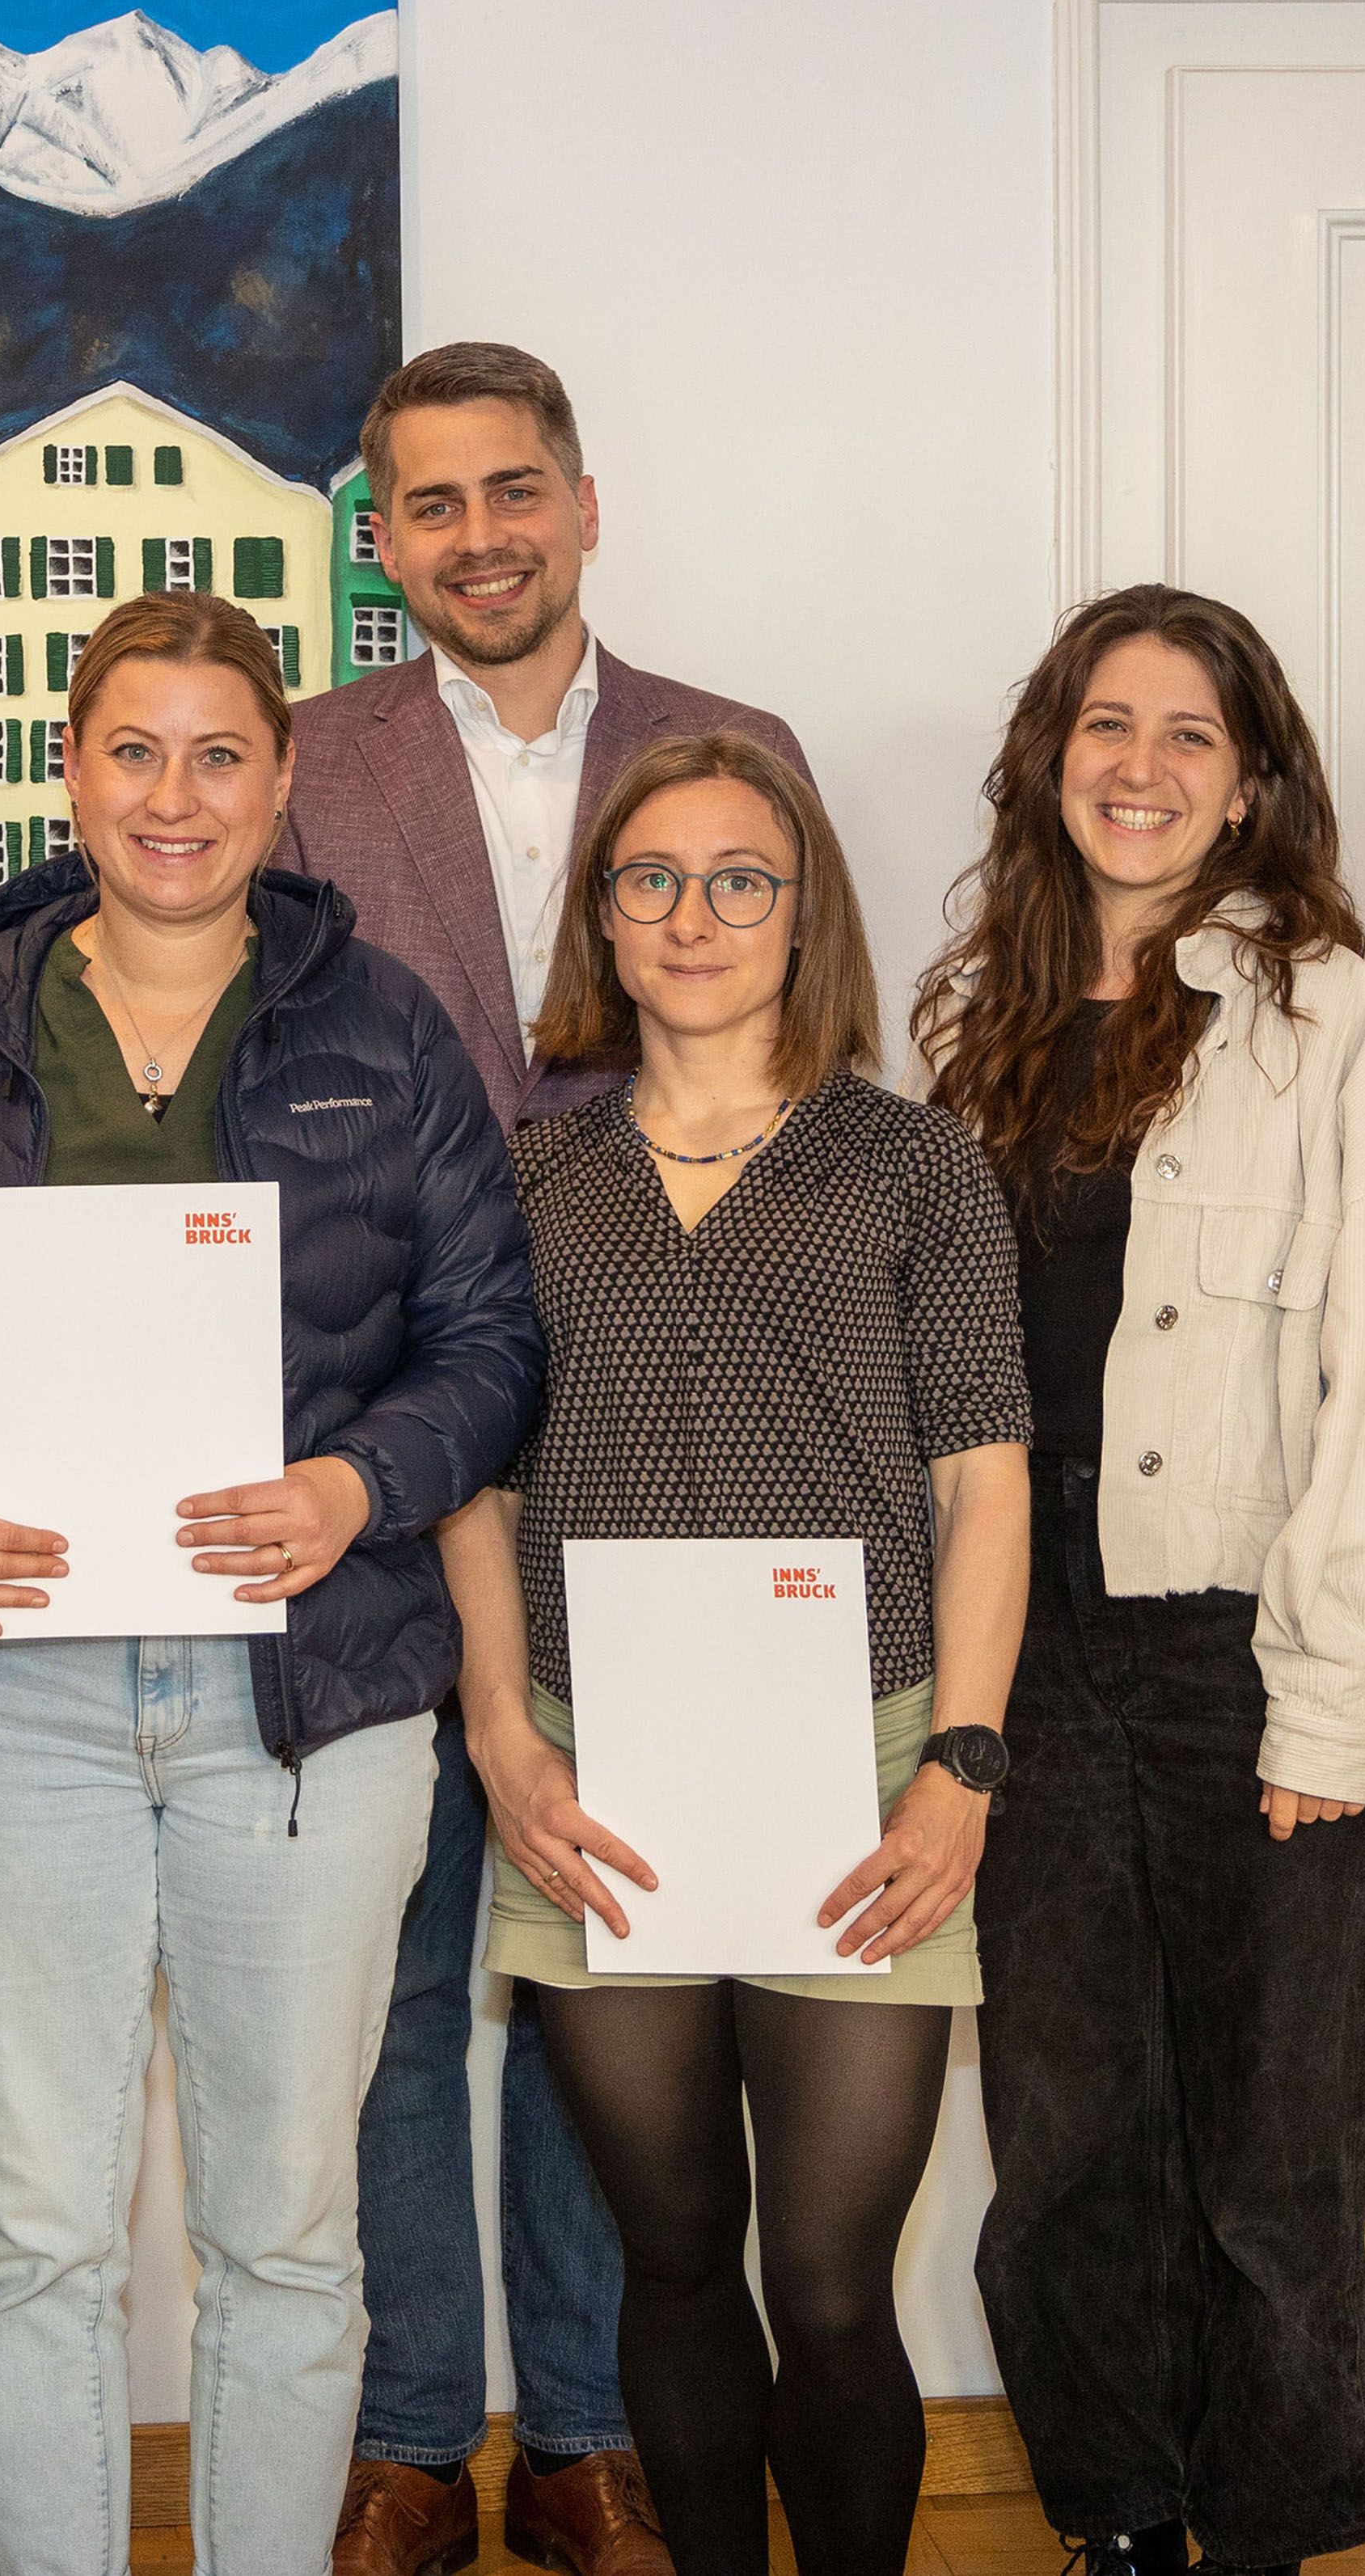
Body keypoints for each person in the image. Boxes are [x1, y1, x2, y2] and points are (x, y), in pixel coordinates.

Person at [0, 589, 542, 2576]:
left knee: (286, 2230)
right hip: (17, 1684)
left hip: (307, 1693)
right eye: (132, 749)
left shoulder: (385, 1026)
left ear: (284, 779)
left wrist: (354, 1480)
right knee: (39, 2230)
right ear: (68, 769)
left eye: (219, 752)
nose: (172, 794)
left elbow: (488, 1349)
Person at [277, 340, 807, 2576]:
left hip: (661, 1419)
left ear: (581, 503)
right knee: (399, 1951)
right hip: (381, 1425)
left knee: (605, 1933)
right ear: (379, 539)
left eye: (514, 491)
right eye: (430, 505)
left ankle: (581, 2428)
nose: (476, 535)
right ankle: (410, 2429)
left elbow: (804, 1058)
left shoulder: (731, 754)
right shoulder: (302, 767)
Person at [908, 588, 1365, 2576]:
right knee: (1068, 2145)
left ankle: (1264, 2532)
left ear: (1249, 782)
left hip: (1260, 1651)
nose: (1136, 766)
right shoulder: (969, 1022)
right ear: (1045, 750)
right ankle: (1118, 2523)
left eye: (1186, 734)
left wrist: (1332, 1697)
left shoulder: (1328, 1018)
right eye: (1104, 721)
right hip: (1032, 1656)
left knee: (1277, 2153)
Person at [440, 730, 1026, 2576]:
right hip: (594, 1768)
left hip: (868, 1761)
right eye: (651, 880)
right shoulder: (526, 1178)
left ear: (803, 914)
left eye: (739, 879)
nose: (693, 917)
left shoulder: (913, 1163)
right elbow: (473, 1476)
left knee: (834, 2283)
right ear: (602, 921)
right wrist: (495, 1732)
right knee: (675, 2253)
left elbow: (984, 1486)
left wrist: (965, 1765)